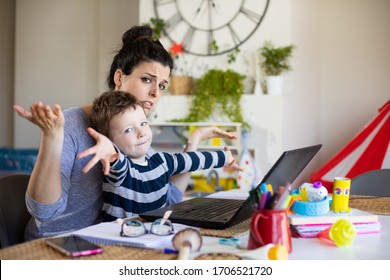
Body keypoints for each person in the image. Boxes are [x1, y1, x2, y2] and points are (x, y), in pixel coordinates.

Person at [13, 25, 238, 240]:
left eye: (162, 86)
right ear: (119, 77)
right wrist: (52, 137)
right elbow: (44, 212)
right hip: (60, 244)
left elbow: (168, 198)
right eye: (147, 80)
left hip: (112, 241)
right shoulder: (70, 124)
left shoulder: (137, 131)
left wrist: (194, 140)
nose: (154, 93)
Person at [77, 91, 242, 221]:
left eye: (143, 124)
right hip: (120, 240)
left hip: (156, 233)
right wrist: (111, 154)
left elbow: (191, 161)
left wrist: (224, 157)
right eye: (128, 130)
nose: (141, 133)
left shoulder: (161, 161)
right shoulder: (122, 171)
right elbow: (117, 165)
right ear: (110, 141)